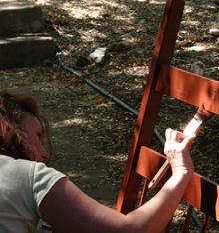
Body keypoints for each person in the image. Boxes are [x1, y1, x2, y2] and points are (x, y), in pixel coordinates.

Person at [0, 90, 195, 233]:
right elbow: (130, 230)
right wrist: (180, 171)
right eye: (38, 135)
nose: (44, 154)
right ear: (10, 130)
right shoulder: (28, 175)